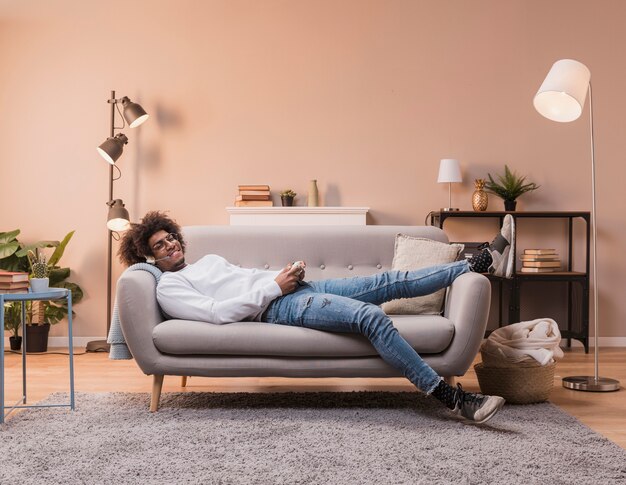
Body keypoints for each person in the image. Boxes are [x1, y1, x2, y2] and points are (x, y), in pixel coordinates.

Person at [119, 211, 514, 424]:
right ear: (149, 256)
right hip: (279, 307)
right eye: (159, 245)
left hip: (295, 289)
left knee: (389, 281)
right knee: (371, 317)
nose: (169, 245)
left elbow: (245, 282)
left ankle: (475, 264)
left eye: (170, 237)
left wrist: (287, 273)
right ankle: (451, 397)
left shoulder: (204, 262)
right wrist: (277, 286)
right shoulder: (169, 287)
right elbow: (219, 313)